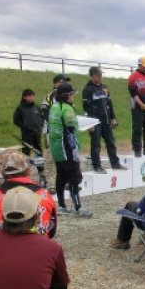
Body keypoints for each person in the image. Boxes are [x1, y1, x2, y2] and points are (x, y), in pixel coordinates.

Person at [0, 152, 58, 239]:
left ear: (3, 174)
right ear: (29, 172)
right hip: (39, 248)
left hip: (0, 249)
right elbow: (51, 232)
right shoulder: (46, 197)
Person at [48, 82, 92, 218]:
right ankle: (77, 207)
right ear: (67, 95)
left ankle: (61, 205)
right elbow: (70, 125)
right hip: (67, 147)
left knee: (61, 177)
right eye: (72, 94)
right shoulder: (67, 108)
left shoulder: (54, 107)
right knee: (75, 177)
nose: (73, 96)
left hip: (56, 148)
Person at [82, 66, 125, 173]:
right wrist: (89, 123)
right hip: (95, 121)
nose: (100, 77)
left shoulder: (104, 88)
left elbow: (109, 104)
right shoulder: (87, 90)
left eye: (101, 75)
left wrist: (113, 117)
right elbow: (86, 107)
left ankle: (115, 163)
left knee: (111, 142)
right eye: (98, 75)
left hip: (106, 121)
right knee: (96, 144)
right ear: (91, 76)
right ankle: (97, 166)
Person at [12, 89, 46, 185]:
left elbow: (41, 117)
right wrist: (24, 126)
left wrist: (41, 125)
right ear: (24, 97)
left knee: (39, 152)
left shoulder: (36, 107)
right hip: (27, 134)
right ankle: (24, 172)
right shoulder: (20, 108)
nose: (30, 97)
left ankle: (41, 172)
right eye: (28, 96)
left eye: (32, 95)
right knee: (26, 154)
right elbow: (16, 120)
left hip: (37, 133)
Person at [41, 74, 70, 148]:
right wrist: (56, 123)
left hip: (65, 129)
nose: (63, 84)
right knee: (50, 151)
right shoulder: (48, 97)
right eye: (61, 82)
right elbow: (45, 113)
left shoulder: (68, 96)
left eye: (65, 83)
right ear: (55, 84)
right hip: (51, 128)